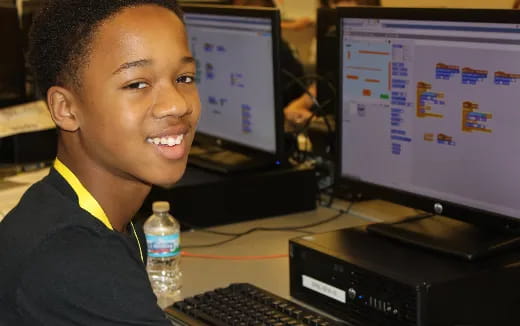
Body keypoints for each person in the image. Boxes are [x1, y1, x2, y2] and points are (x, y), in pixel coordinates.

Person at [0, 0, 200, 324]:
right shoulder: (72, 257)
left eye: (185, 78)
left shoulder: (77, 211)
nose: (176, 104)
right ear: (66, 108)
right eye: (137, 84)